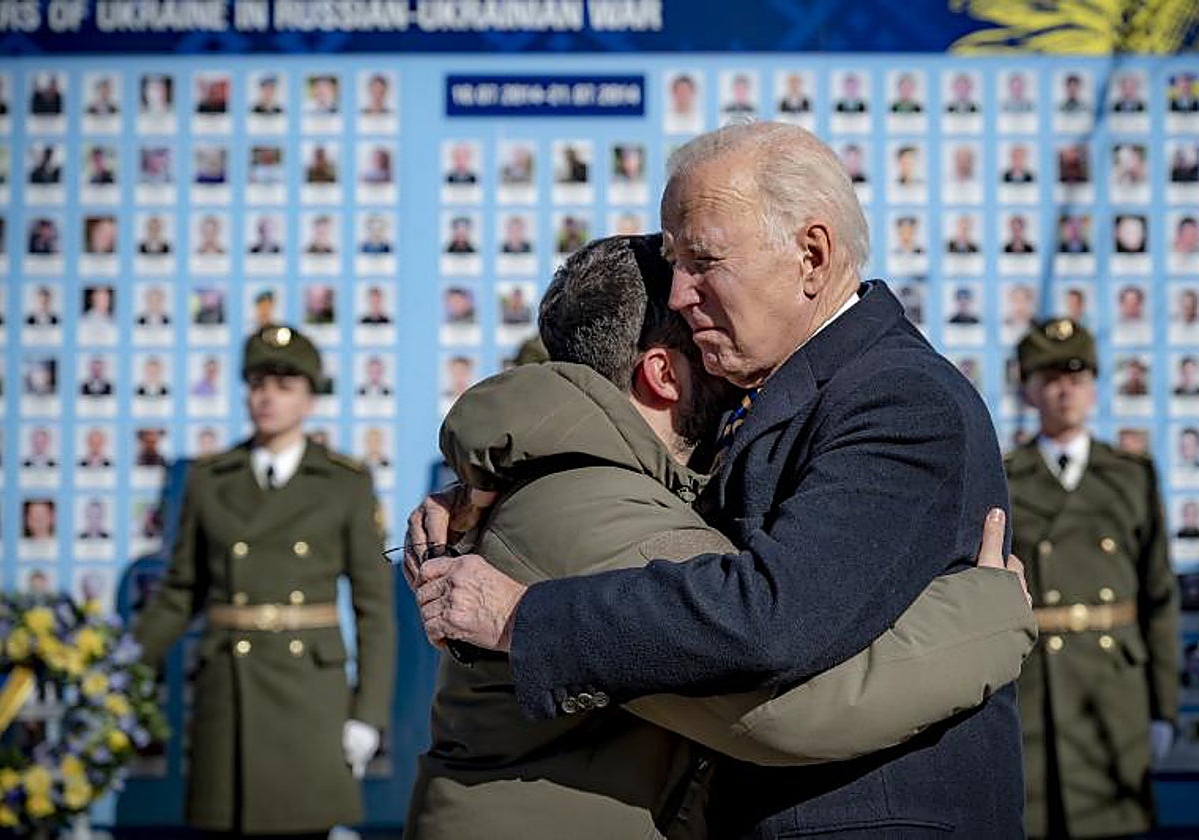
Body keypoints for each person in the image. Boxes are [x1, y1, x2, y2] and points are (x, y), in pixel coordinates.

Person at [408, 122, 1026, 838]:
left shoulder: (894, 398)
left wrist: (525, 617)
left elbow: (774, 618)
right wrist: (488, 489)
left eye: (702, 260)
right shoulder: (774, 388)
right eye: (674, 263)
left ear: (812, 256)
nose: (678, 293)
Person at [133, 324, 396, 837]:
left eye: (284, 385)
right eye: (258, 383)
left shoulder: (344, 482)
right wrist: (119, 668)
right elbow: (180, 592)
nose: (267, 397)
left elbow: (374, 609)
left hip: (309, 694)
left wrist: (367, 714)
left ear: (309, 397)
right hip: (228, 687)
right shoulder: (211, 480)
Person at [1007, 318, 1179, 838]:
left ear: (1095, 387)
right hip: (1036, 692)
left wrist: (1162, 710)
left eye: (1078, 378)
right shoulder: (1006, 476)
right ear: (1029, 389)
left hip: (1112, 692)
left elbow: (1159, 597)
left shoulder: (1130, 475)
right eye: (1052, 377)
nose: (1066, 391)